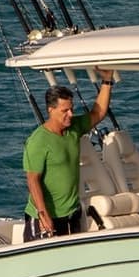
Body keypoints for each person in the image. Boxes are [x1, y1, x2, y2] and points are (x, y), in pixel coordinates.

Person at [23, 72, 114, 239]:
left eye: (72, 109)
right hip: (45, 217)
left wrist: (107, 81)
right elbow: (32, 179)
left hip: (72, 215)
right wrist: (43, 215)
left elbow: (98, 113)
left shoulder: (73, 128)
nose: (71, 114)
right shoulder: (38, 141)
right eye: (65, 110)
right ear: (51, 110)